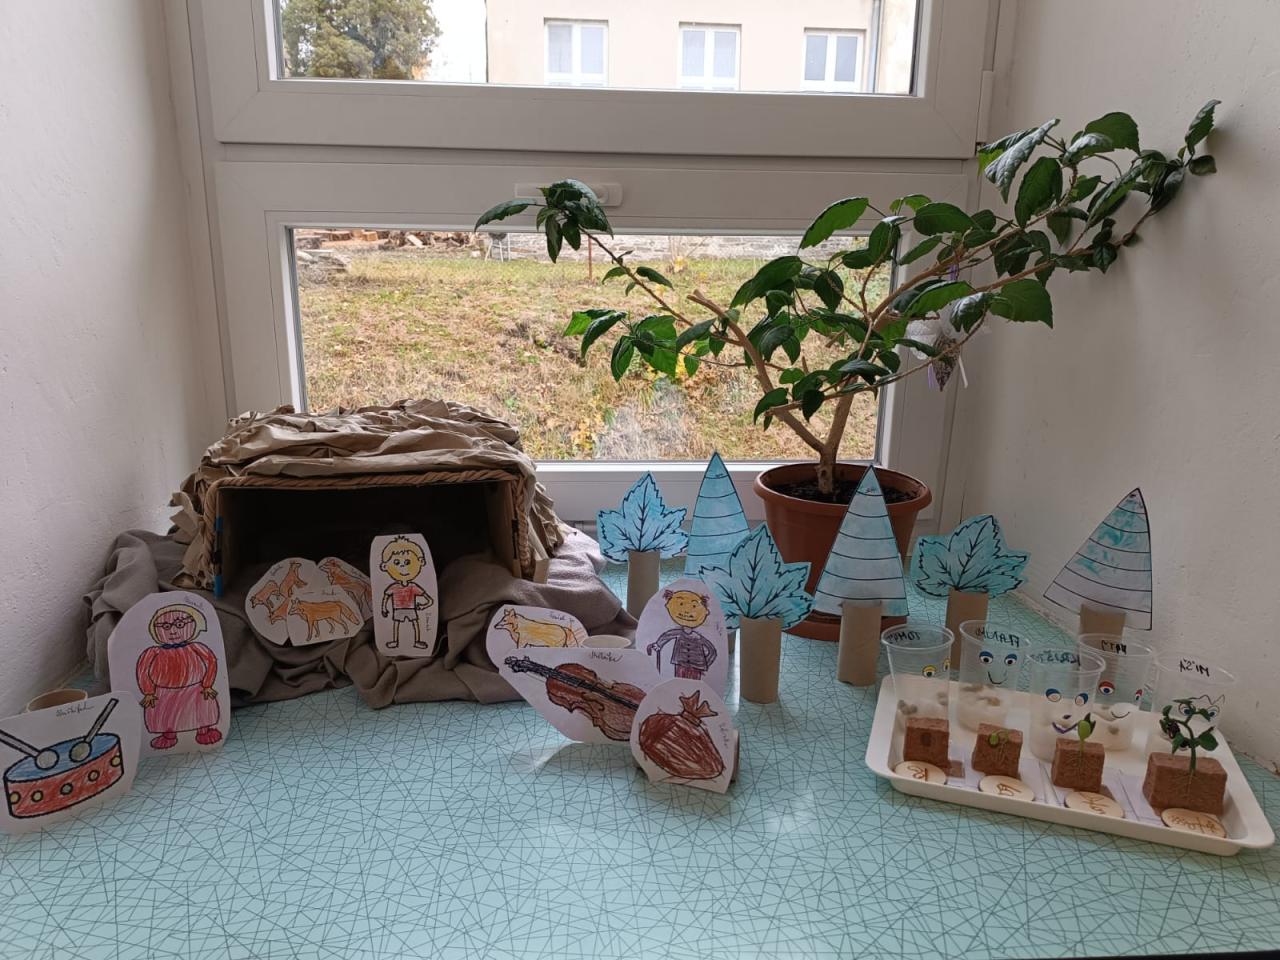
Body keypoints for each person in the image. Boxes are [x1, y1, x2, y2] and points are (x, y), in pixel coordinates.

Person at [136, 603, 222, 750]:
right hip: (164, 693)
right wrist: (148, 692)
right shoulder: (152, 652)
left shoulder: (196, 647)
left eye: (180, 624)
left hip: (195, 690)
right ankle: (168, 735)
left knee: (200, 713)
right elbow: (142, 671)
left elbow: (211, 661)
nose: (173, 631)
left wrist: (207, 684)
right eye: (165, 626)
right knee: (166, 716)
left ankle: (204, 731)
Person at [646, 589, 719, 680]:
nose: (687, 611)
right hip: (680, 663)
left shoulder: (699, 638)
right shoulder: (679, 633)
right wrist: (658, 644)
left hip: (696, 667)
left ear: (705, 612)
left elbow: (712, 651)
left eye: (693, 606)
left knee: (694, 684)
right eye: (681, 604)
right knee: (679, 682)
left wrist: (705, 663)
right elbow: (668, 635)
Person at [379, 537, 435, 651]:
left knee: (415, 623)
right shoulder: (393, 587)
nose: (402, 566)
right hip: (398, 609)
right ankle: (395, 641)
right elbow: (385, 596)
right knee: (396, 624)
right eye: (396, 562)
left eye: (407, 562)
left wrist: (424, 606)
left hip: (411, 609)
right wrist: (383, 608)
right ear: (384, 566)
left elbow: (429, 600)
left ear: (421, 562)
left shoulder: (413, 587)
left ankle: (417, 641)